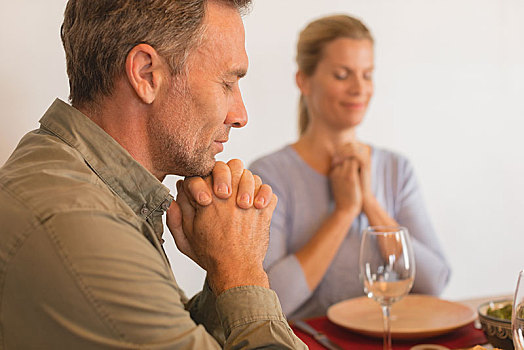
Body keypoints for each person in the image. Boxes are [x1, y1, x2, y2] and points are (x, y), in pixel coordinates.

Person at [0, 1, 307, 349]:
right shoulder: (80, 225)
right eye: (227, 83)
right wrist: (242, 271)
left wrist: (226, 263)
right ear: (146, 74)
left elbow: (172, 330)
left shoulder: (75, 176)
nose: (240, 115)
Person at [250, 14, 451, 319]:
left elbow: (434, 282)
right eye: (343, 75)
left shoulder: (397, 169)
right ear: (303, 80)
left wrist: (369, 202)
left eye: (367, 74)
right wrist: (344, 212)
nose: (359, 88)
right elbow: (270, 301)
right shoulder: (270, 175)